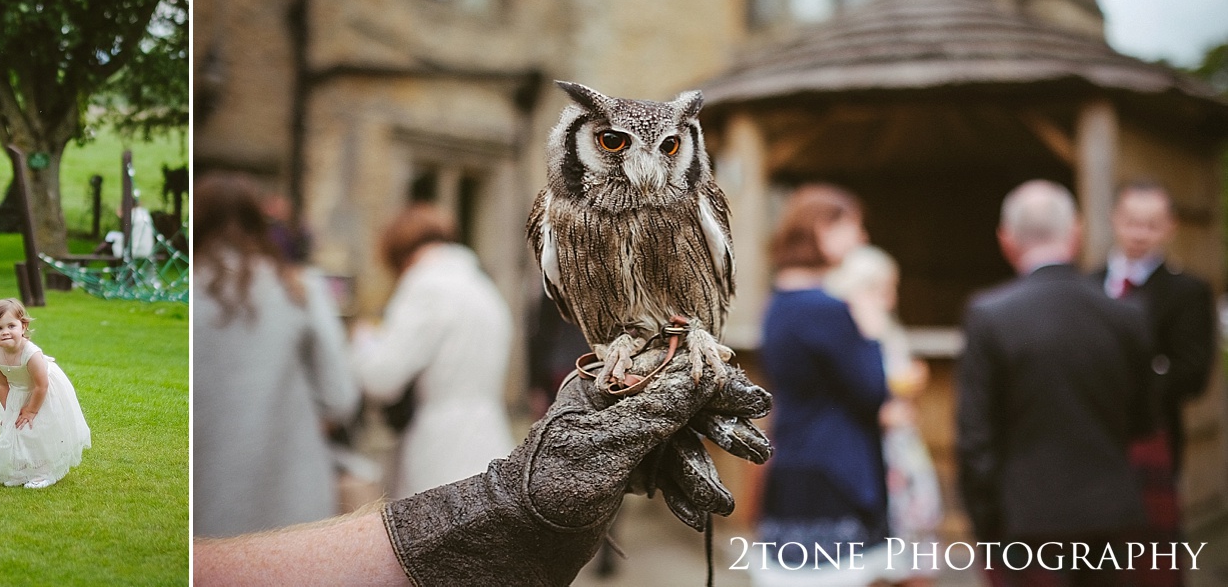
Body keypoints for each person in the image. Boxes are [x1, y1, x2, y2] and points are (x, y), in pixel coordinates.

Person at [196, 349, 749, 587]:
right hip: (484, 431)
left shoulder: (425, 287)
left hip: (444, 435)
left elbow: (375, 376)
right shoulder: (482, 285)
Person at [957, 181, 1153, 586]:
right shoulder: (1126, 315)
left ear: (1006, 240)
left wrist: (985, 520)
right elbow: (1145, 420)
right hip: (1110, 515)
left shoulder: (989, 316)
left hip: (1024, 518)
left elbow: (974, 436)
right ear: (1075, 232)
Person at [193, 172, 359, 537]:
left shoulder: (188, 294)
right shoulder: (297, 288)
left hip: (206, 506)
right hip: (290, 498)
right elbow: (340, 396)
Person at [757, 186, 889, 559]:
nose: (861, 239)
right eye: (853, 228)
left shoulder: (778, 302)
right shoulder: (827, 310)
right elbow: (871, 391)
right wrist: (872, 334)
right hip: (836, 468)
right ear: (823, 229)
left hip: (792, 457)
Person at [351, 203, 514, 498]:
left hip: (441, 451)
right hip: (492, 439)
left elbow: (381, 379)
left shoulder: (425, 285)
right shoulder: (482, 286)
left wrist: (363, 340)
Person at [1096, 183, 1216, 537]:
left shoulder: (1188, 291)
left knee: (1149, 545)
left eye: (1151, 225)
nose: (1139, 234)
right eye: (1132, 222)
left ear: (1170, 227)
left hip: (1153, 433)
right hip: (1090, 436)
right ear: (1115, 220)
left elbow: (1192, 373)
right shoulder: (1086, 284)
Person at [826, 245, 943, 549]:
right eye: (884, 290)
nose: (891, 299)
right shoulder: (839, 331)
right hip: (861, 454)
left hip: (900, 450)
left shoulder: (887, 328)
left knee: (915, 542)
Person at [0, 297, 91, 488]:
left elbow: (42, 385)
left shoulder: (31, 354)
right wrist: (9, 409)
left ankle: (44, 473)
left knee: (36, 431)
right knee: (17, 430)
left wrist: (31, 410)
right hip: (17, 392)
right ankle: (21, 471)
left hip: (42, 393)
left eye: (11, 326)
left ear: (23, 327)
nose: (5, 332)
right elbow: (1, 384)